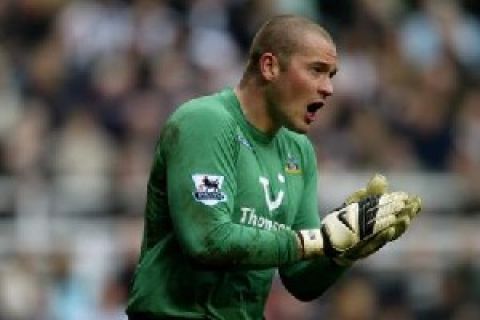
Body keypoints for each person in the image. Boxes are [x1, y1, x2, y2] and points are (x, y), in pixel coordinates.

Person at [126, 14, 421, 320]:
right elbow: (207, 240)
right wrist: (316, 241)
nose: (329, 88)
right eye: (317, 70)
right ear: (270, 66)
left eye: (331, 74)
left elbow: (300, 279)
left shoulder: (299, 150)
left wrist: (343, 251)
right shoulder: (205, 122)